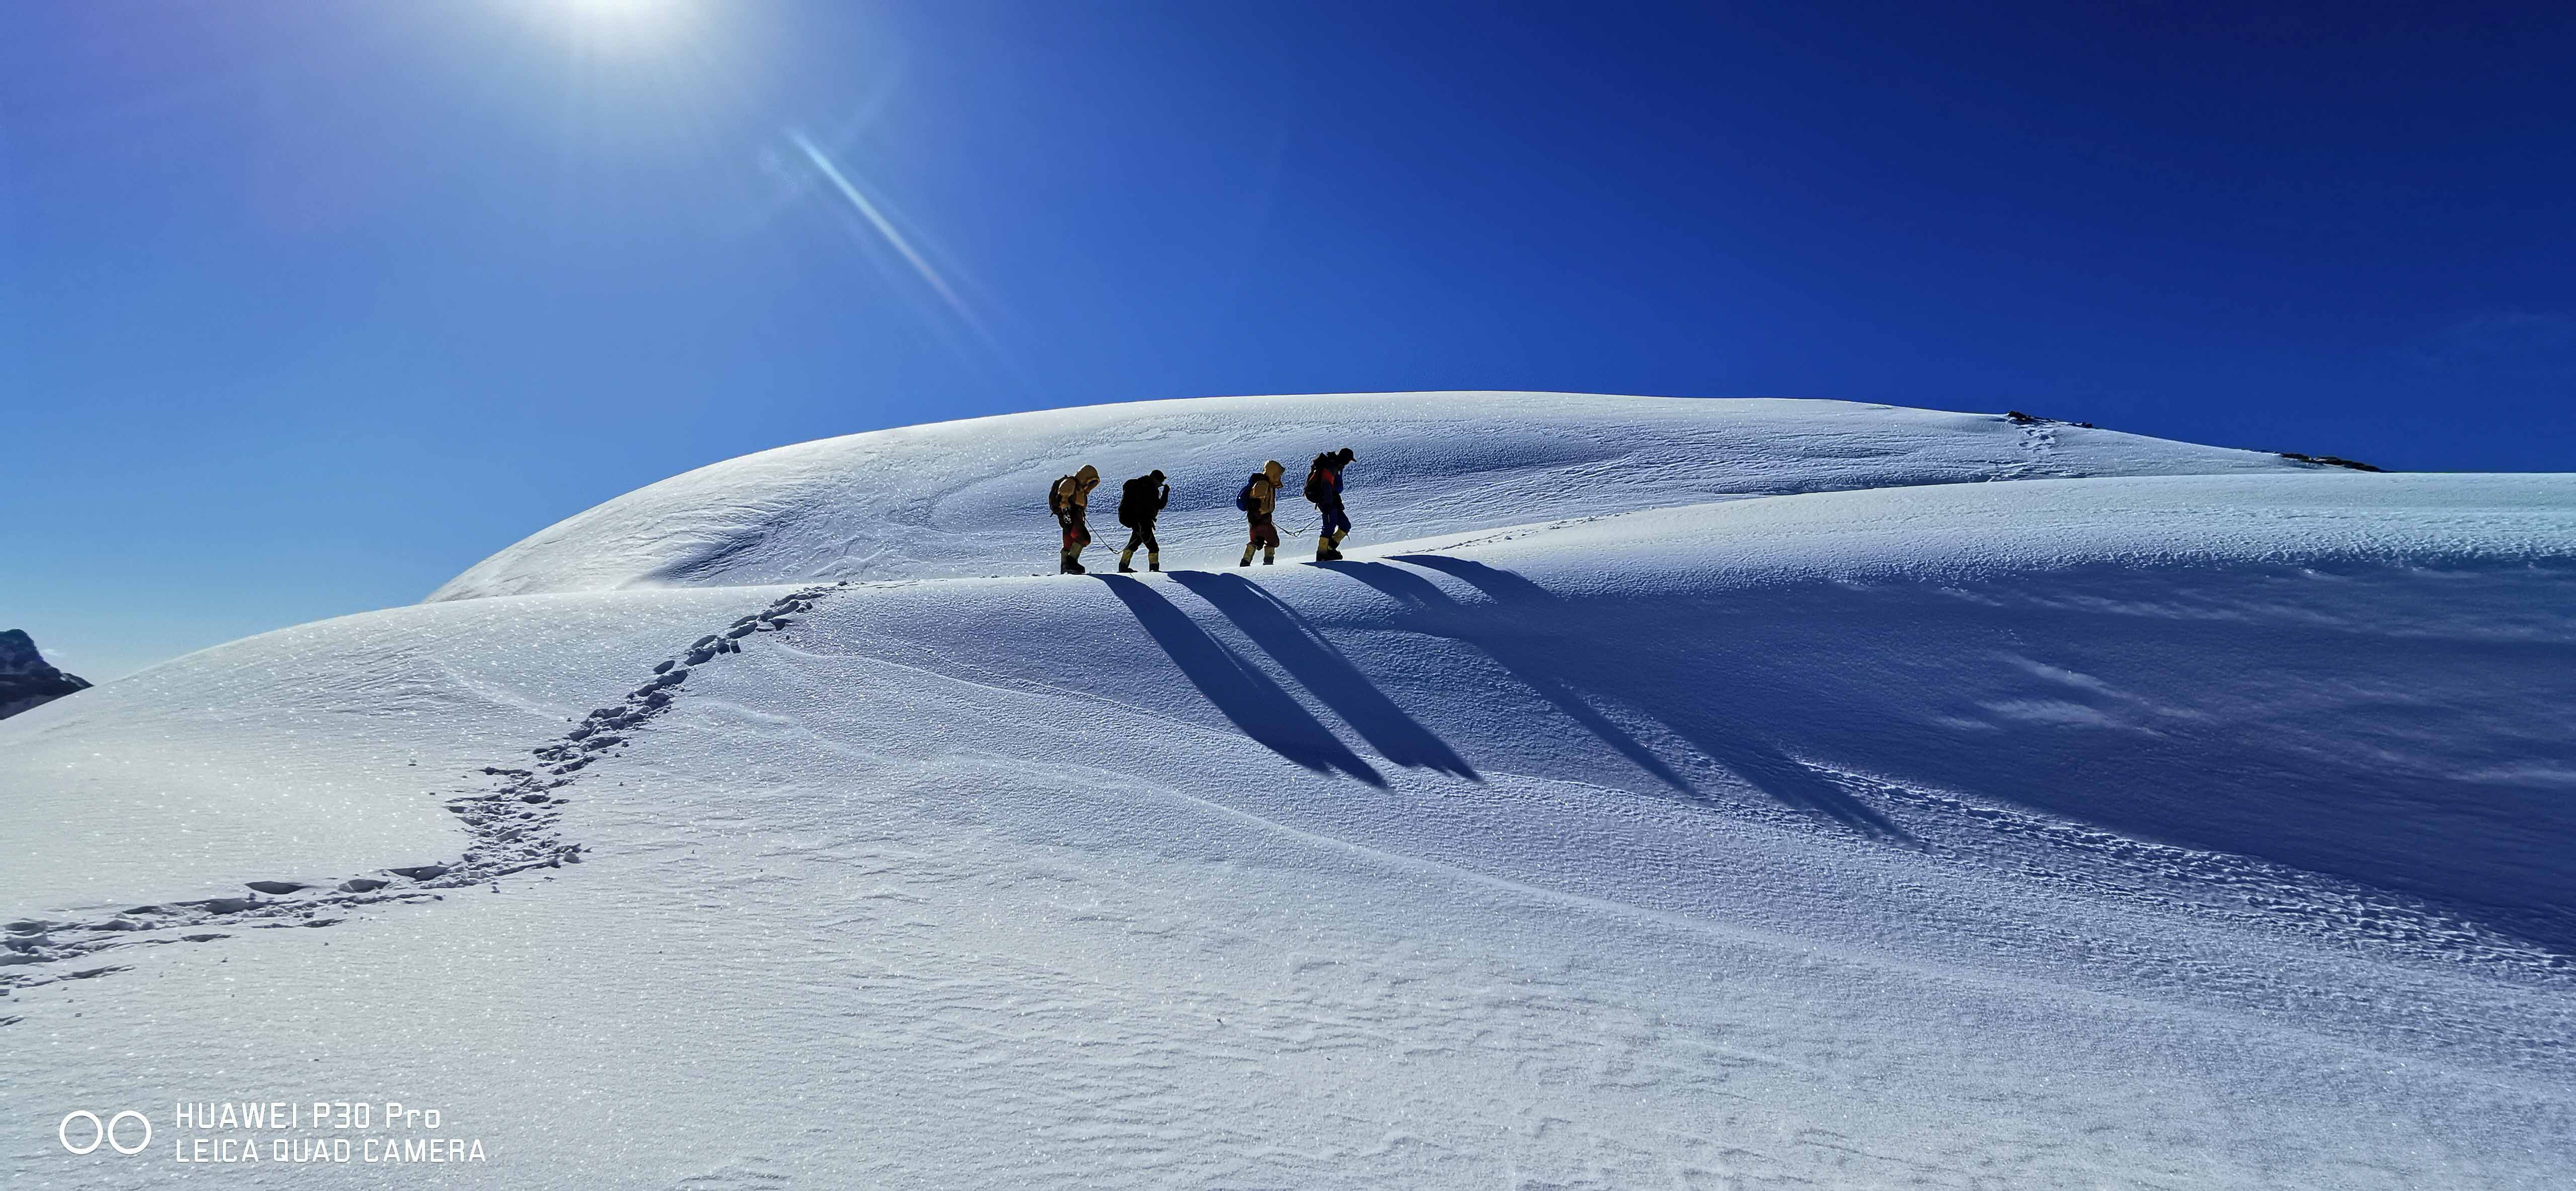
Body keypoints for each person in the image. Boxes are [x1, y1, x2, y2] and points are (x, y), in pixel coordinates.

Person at [1305, 447, 1355, 561]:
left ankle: (1329, 549)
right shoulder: (1332, 466)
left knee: (1345, 525)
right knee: (1329, 526)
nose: (1348, 463)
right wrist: (1328, 502)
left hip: (1332, 499)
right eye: (1348, 460)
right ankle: (1322, 553)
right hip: (1326, 500)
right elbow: (1326, 484)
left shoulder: (1337, 466)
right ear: (1345, 458)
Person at [1049, 464, 1100, 574]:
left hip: (1074, 516)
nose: (1090, 485)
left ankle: (1066, 567)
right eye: (1090, 482)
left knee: (1069, 542)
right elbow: (1064, 499)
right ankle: (1071, 563)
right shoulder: (1070, 483)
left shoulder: (1080, 490)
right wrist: (1066, 513)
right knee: (1084, 538)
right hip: (1069, 515)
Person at [1114, 469, 1169, 573]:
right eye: (1159, 482)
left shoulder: (1144, 487)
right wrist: (1166, 493)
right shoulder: (1148, 489)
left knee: (1133, 545)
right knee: (1153, 548)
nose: (1160, 485)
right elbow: (1160, 505)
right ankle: (1154, 571)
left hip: (1139, 523)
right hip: (1143, 524)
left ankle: (1123, 567)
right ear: (1154, 479)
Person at [1236, 459, 1284, 567]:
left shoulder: (1266, 483)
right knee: (1272, 541)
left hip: (1258, 520)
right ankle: (1267, 564)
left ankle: (1246, 563)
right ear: (1273, 474)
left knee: (1257, 541)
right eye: (1278, 475)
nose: (1279, 478)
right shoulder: (1263, 484)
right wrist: (1260, 518)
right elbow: (1256, 503)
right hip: (1260, 519)